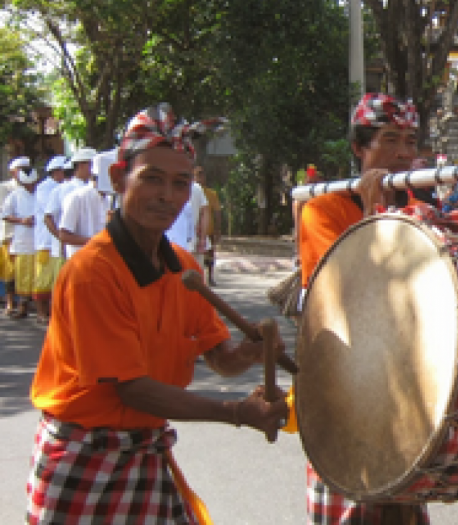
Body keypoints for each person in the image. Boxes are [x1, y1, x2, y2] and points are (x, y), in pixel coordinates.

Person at [26, 103, 288, 524]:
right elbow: (132, 390)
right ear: (118, 178)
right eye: (152, 179)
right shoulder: (92, 272)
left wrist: (253, 352)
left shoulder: (183, 267)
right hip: (84, 458)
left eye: (181, 183)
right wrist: (237, 413)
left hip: (143, 450)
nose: (167, 196)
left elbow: (219, 358)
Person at [292, 93, 430, 524]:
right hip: (345, 390)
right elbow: (349, 299)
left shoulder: (420, 212)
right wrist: (374, 212)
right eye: (390, 139)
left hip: (404, 396)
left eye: (410, 141)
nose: (404, 153)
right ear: (359, 147)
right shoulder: (322, 211)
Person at [44, 148, 97, 266]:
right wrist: (61, 238)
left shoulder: (96, 189)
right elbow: (48, 218)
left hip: (93, 252)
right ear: (82, 165)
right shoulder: (62, 189)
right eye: (91, 164)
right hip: (70, 251)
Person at [32, 156, 68, 323]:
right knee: (43, 278)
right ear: (55, 172)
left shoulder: (63, 187)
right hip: (45, 239)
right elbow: (50, 212)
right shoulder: (45, 188)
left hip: (59, 239)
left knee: (56, 277)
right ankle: (41, 312)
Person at [1, 162, 39, 319]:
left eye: (33, 184)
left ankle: (38, 309)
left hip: (38, 240)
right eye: (28, 184)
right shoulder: (14, 195)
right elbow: (5, 214)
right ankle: (21, 306)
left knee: (37, 275)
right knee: (21, 275)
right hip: (21, 239)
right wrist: (22, 220)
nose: (31, 186)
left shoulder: (40, 193)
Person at [58, 150, 112, 258]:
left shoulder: (110, 199)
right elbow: (64, 235)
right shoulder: (76, 197)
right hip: (81, 262)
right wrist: (95, 242)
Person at [1, 158, 27, 315]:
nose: (23, 170)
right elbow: (3, 212)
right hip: (10, 234)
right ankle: (10, 303)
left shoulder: (32, 188)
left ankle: (23, 304)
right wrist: (22, 220)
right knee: (10, 272)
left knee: (24, 271)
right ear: (13, 172)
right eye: (20, 168)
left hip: (27, 237)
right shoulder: (4, 188)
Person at [194, 166, 222, 286]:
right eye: (197, 175)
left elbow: (217, 212)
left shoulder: (211, 194)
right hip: (194, 231)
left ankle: (210, 277)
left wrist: (218, 229)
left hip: (208, 230)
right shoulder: (189, 191)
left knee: (210, 254)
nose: (200, 178)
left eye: (201, 175)